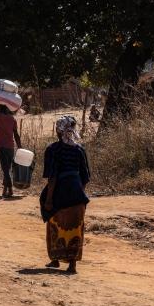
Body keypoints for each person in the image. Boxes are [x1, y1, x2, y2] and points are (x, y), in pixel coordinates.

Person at [40, 115, 90, 274]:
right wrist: (79, 193)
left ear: (59, 131)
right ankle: (72, 264)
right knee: (75, 228)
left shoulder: (53, 149)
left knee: (55, 223)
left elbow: (52, 176)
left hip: (60, 192)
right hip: (77, 194)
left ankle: (55, 259)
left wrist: (49, 199)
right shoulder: (79, 149)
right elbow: (85, 176)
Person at [0, 105, 22, 198]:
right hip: (10, 146)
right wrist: (20, 147)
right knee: (7, 168)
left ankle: (9, 188)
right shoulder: (12, 119)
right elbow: (16, 134)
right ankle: (6, 189)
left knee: (5, 169)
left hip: (1, 146)